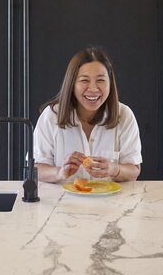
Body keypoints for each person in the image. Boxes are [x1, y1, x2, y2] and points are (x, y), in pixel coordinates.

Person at [34, 47, 142, 183]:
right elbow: (36, 169)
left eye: (100, 80)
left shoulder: (124, 115)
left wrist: (114, 169)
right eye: (84, 80)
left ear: (110, 83)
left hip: (110, 202)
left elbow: (134, 170)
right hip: (63, 201)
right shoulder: (51, 115)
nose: (93, 89)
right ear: (72, 84)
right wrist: (59, 173)